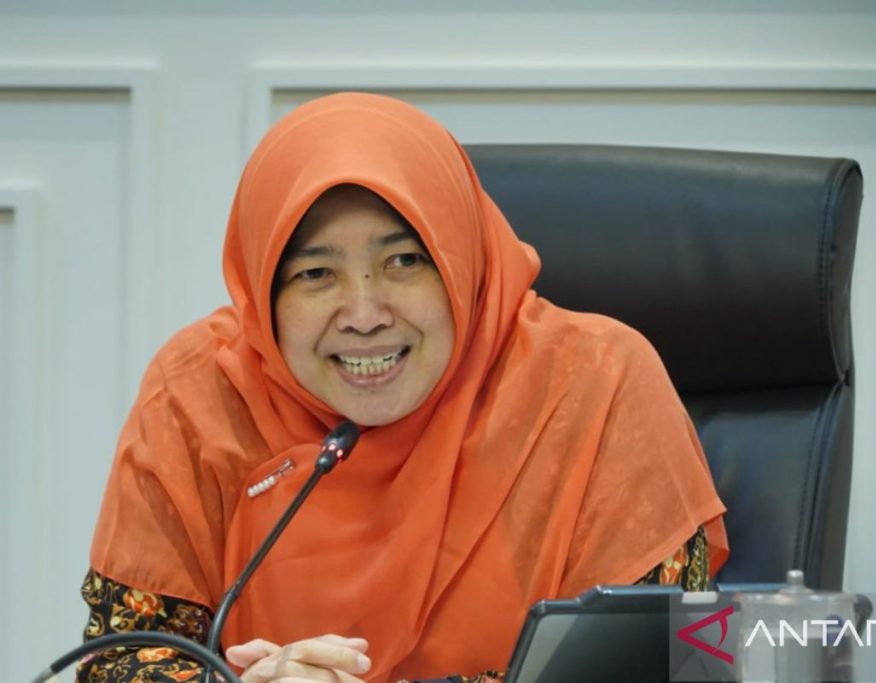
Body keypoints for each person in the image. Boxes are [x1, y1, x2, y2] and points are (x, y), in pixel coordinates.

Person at [77, 92, 728, 683]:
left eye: (404, 261)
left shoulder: (596, 383)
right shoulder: (202, 393)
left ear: (462, 263)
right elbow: (118, 660)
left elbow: (664, 663)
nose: (363, 314)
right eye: (315, 274)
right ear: (264, 289)